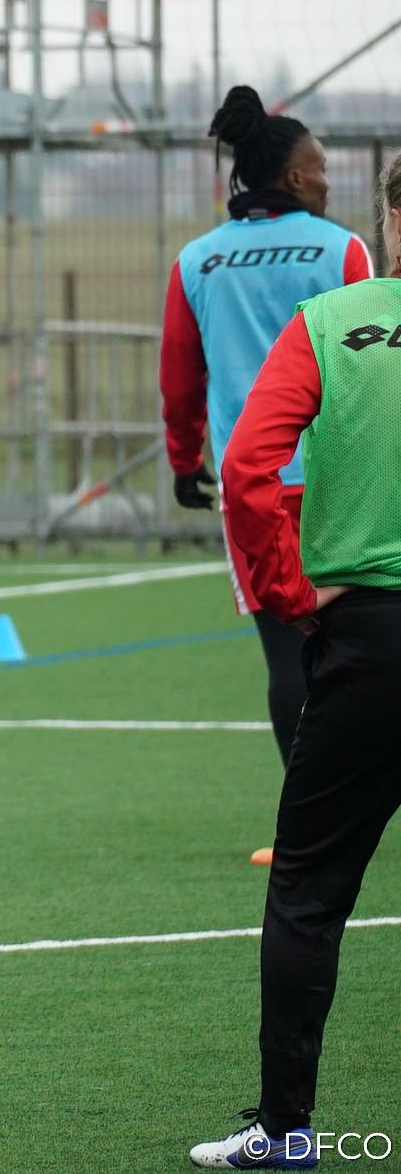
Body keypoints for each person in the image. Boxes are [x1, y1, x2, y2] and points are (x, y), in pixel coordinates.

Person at [187, 153, 401, 1170]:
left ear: (393, 220)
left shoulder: (330, 324)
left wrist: (287, 594)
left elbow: (245, 466)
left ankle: (286, 1130)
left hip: (369, 641)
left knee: (310, 888)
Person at [160, 85, 370, 862]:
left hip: (254, 486)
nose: (327, 180)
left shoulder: (197, 261)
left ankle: (306, 830)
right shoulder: (343, 251)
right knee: (371, 640)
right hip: (347, 480)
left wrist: (185, 459)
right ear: (292, 176)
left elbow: (179, 375)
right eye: (320, 168)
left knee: (288, 659)